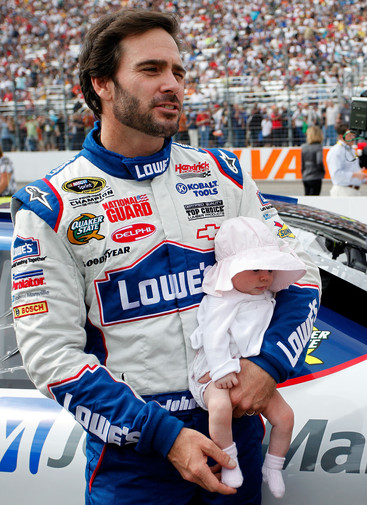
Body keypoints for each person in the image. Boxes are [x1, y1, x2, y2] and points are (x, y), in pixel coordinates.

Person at [10, 9, 321, 505]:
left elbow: (301, 278)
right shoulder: (51, 204)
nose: (172, 84)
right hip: (136, 457)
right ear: (102, 85)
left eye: (178, 71)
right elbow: (51, 358)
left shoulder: (226, 174)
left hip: (235, 433)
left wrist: (268, 366)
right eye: (151, 70)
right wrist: (164, 437)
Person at [188, 216, 306, 498]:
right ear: (230, 271)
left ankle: (273, 467)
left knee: (285, 417)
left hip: (250, 370)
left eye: (268, 269)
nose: (264, 277)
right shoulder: (221, 299)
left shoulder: (263, 294)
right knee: (220, 409)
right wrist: (221, 370)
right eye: (254, 269)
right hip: (213, 369)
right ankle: (228, 462)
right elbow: (212, 336)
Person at [326, 123, 367, 196]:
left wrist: (366, 181)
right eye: (350, 136)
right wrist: (355, 175)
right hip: (342, 191)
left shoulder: (351, 150)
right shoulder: (336, 151)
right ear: (341, 136)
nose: (353, 138)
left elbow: (353, 170)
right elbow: (336, 176)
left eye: (353, 135)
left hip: (353, 191)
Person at [300, 126, 325, 195]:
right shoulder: (318, 147)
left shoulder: (304, 147)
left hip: (305, 176)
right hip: (315, 176)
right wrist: (322, 171)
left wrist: (303, 173)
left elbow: (302, 163)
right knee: (314, 198)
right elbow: (319, 162)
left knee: (307, 197)